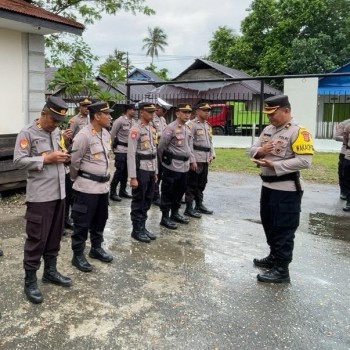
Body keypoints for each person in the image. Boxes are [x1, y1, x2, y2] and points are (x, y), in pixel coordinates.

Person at [13, 96, 72, 304]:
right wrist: (45, 159)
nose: (56, 125)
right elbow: (18, 161)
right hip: (40, 197)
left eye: (59, 121)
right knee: (36, 238)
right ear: (44, 114)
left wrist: (64, 156)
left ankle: (50, 271)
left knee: (55, 236)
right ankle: (30, 280)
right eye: (54, 120)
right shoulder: (27, 132)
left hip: (60, 193)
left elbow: (58, 153)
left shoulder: (56, 132)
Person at [250, 95, 313, 283]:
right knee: (269, 223)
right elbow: (252, 148)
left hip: (286, 189)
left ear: (286, 111)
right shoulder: (268, 130)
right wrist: (260, 151)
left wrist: (275, 165)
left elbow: (305, 161)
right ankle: (274, 257)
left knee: (283, 228)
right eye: (268, 114)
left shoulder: (299, 132)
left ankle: (282, 270)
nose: (270, 118)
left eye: (273, 114)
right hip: (267, 185)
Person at [70, 101, 114, 272]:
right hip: (86, 187)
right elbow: (74, 162)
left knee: (100, 220)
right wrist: (76, 179)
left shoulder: (105, 134)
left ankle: (96, 248)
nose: (110, 117)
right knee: (82, 223)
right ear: (97, 116)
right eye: (107, 114)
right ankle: (78, 255)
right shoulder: (83, 135)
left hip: (102, 187)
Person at [158, 103, 196, 230]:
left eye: (189, 112)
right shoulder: (170, 128)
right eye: (184, 112)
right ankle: (165, 217)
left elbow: (189, 146)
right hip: (172, 165)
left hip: (184, 166)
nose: (187, 115)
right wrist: (163, 163)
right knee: (168, 191)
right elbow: (161, 147)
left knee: (180, 191)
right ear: (177, 113)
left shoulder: (188, 128)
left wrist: (192, 160)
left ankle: (175, 213)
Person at [127, 102, 158, 243]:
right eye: (150, 112)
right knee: (139, 199)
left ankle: (143, 226)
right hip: (141, 169)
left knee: (148, 199)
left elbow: (154, 151)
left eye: (153, 112)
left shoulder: (152, 128)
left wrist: (156, 171)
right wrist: (132, 177)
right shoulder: (136, 129)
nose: (153, 114)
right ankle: (136, 229)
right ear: (142, 112)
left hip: (151, 168)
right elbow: (131, 154)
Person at [63, 97, 92, 230]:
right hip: (74, 156)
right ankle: (65, 219)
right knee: (70, 192)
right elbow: (68, 141)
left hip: (87, 158)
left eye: (88, 106)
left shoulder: (91, 119)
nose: (86, 108)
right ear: (79, 107)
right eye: (84, 106)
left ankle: (76, 217)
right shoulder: (74, 120)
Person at [184, 102, 215, 218]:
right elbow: (189, 143)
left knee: (202, 183)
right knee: (192, 184)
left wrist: (212, 153)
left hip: (205, 159)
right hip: (196, 159)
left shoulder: (207, 125)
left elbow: (210, 142)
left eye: (208, 110)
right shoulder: (191, 125)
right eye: (204, 110)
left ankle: (199, 204)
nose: (207, 113)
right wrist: (192, 160)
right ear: (197, 111)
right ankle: (188, 207)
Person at [110, 104, 136, 201]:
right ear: (127, 110)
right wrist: (112, 148)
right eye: (132, 109)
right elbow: (112, 135)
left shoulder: (133, 121)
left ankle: (123, 191)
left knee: (126, 172)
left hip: (129, 150)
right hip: (121, 149)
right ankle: (112, 192)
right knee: (119, 171)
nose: (134, 111)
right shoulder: (119, 121)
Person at [151, 98, 171, 206]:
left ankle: (156, 194)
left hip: (163, 148)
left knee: (161, 172)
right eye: (159, 108)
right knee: (156, 172)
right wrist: (162, 135)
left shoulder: (162, 119)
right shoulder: (152, 119)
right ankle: (155, 196)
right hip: (155, 146)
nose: (159, 110)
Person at [334, 118, 350, 200]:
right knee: (343, 173)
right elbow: (337, 137)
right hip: (345, 152)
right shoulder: (345, 123)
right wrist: (346, 140)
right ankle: (344, 192)